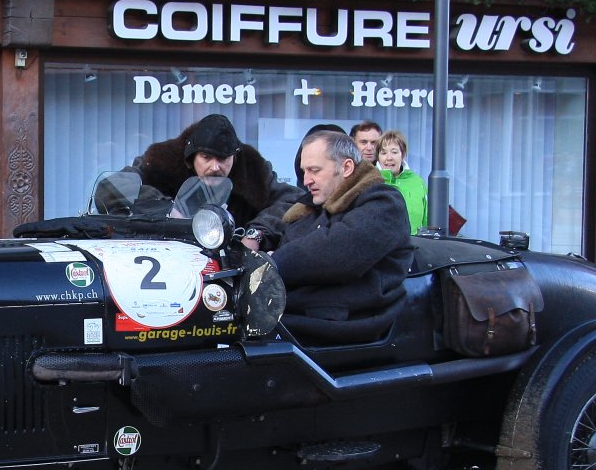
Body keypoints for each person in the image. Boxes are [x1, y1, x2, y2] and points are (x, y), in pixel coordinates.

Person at [273, 129, 413, 344]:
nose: (306, 180)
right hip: (304, 316)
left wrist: (269, 264)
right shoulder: (311, 209)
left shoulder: (384, 203)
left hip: (347, 323)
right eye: (304, 171)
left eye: (314, 170)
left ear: (346, 167)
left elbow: (333, 254)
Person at [121, 113, 300, 250]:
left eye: (223, 159)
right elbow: (119, 185)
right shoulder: (159, 162)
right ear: (191, 158)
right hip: (165, 253)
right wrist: (165, 208)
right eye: (206, 157)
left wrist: (256, 233)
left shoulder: (254, 171)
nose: (215, 167)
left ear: (234, 157)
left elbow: (292, 199)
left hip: (229, 261)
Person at [376, 129, 428, 232]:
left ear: (403, 154)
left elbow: (427, 220)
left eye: (394, 152)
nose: (389, 158)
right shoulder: (371, 182)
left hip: (415, 241)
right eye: (384, 153)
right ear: (378, 157)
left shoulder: (417, 182)